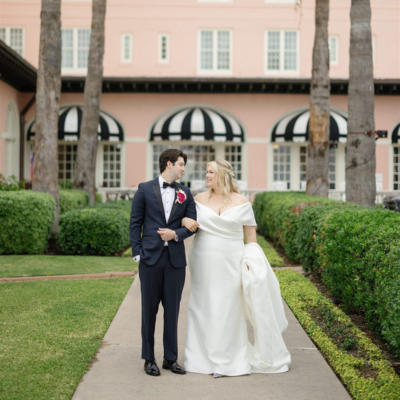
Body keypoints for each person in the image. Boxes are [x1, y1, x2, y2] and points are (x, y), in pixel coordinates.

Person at [182, 159, 291, 377]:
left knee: (228, 309)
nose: (207, 176)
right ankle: (199, 359)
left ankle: (227, 361)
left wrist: (253, 264)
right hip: (202, 259)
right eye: (207, 172)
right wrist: (185, 219)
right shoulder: (198, 199)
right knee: (202, 307)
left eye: (211, 172)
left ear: (222, 175)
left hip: (231, 261)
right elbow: (184, 221)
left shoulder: (242, 202)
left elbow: (251, 238)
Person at [129, 149, 196, 376]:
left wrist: (175, 234)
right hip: (150, 259)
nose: (183, 168)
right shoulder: (144, 189)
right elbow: (135, 223)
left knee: (173, 311)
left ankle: (170, 358)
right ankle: (149, 358)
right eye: (180, 164)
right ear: (169, 164)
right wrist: (138, 254)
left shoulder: (185, 193)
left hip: (175, 261)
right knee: (149, 311)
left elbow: (192, 226)